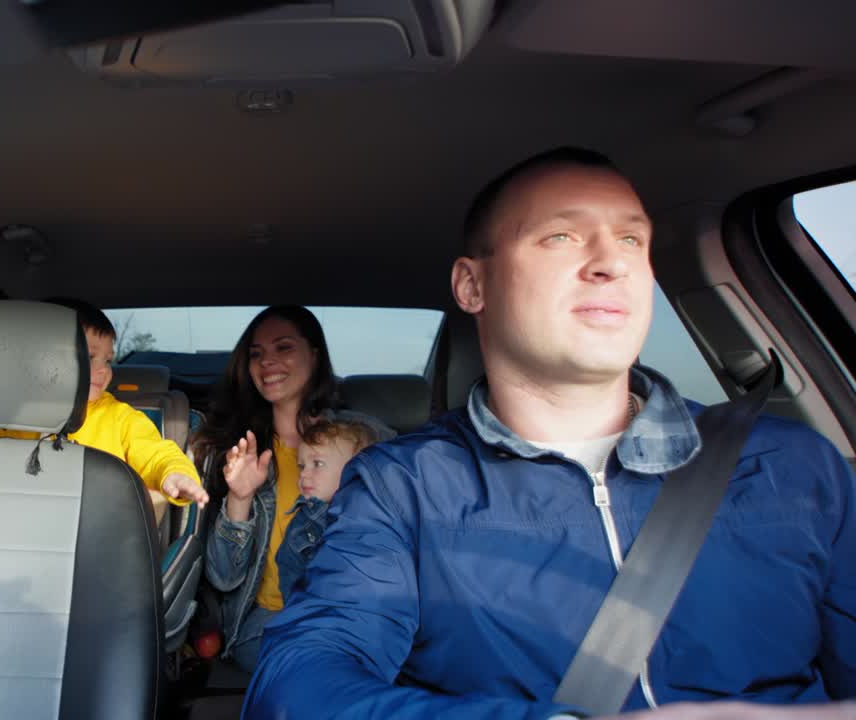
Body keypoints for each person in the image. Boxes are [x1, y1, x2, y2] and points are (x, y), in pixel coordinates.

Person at [244, 148, 856, 718]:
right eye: (561, 237)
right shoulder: (401, 487)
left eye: (631, 239)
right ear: (472, 286)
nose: (611, 262)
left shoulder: (796, 466)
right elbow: (300, 680)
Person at [196, 305, 392, 672]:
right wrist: (241, 497)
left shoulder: (363, 438)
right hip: (266, 622)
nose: (267, 362)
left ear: (314, 356)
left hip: (351, 611)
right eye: (256, 354)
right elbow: (223, 578)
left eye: (283, 348)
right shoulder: (238, 449)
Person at [0, 298, 208, 508]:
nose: (104, 371)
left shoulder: (121, 418)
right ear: (42, 357)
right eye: (90, 357)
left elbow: (155, 452)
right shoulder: (15, 418)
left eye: (108, 361)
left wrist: (175, 473)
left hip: (97, 531)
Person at [272, 418, 380, 603]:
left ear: (355, 470)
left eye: (318, 464)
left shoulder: (378, 514)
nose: (304, 473)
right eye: (302, 466)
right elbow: (290, 575)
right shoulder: (303, 523)